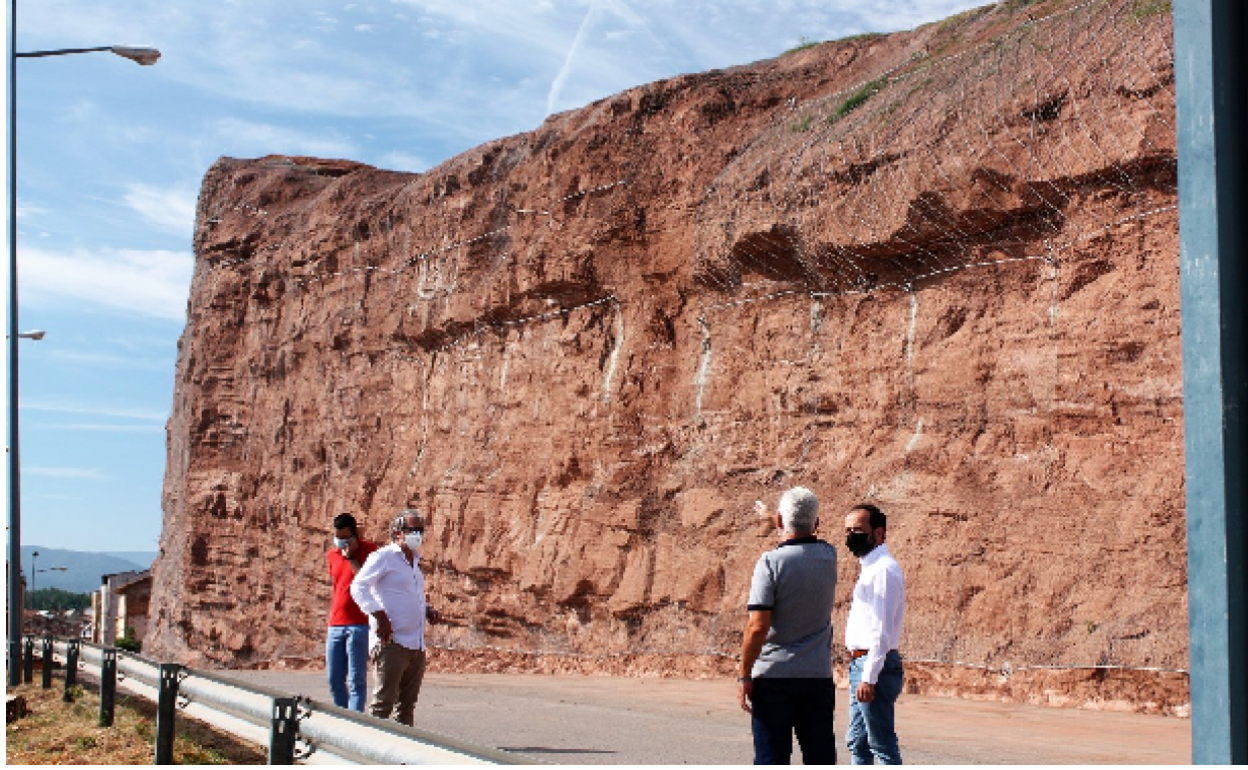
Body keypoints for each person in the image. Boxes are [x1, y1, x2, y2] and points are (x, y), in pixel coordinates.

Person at [738, 487, 838, 765]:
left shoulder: (770, 563)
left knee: (772, 757)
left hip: (774, 677)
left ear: (781, 522)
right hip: (817, 676)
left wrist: (744, 675)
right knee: (820, 757)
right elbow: (803, 534)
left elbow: (757, 626)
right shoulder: (829, 557)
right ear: (816, 523)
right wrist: (775, 518)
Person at [350, 509, 441, 727]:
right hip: (392, 643)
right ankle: (370, 754)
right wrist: (379, 616)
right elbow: (358, 587)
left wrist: (427, 610)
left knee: (406, 707)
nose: (417, 535)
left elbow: (407, 595)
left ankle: (401, 756)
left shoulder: (415, 563)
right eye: (413, 530)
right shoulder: (384, 557)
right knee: (383, 705)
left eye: (420, 530)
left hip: (415, 645)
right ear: (398, 532)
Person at [843, 503, 906, 765]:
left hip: (874, 664)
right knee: (857, 740)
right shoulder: (870, 567)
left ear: (878, 533)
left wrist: (869, 677)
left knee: (880, 744)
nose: (851, 536)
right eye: (848, 530)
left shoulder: (883, 571)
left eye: (858, 530)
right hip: (861, 663)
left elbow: (881, 629)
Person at [326, 513, 379, 712]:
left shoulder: (370, 551)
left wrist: (351, 557)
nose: (341, 541)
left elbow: (366, 581)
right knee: (334, 678)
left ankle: (355, 720)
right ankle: (341, 716)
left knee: (357, 679)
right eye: (337, 536)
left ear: (354, 535)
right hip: (336, 623)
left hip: (359, 623)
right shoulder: (332, 555)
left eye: (345, 537)